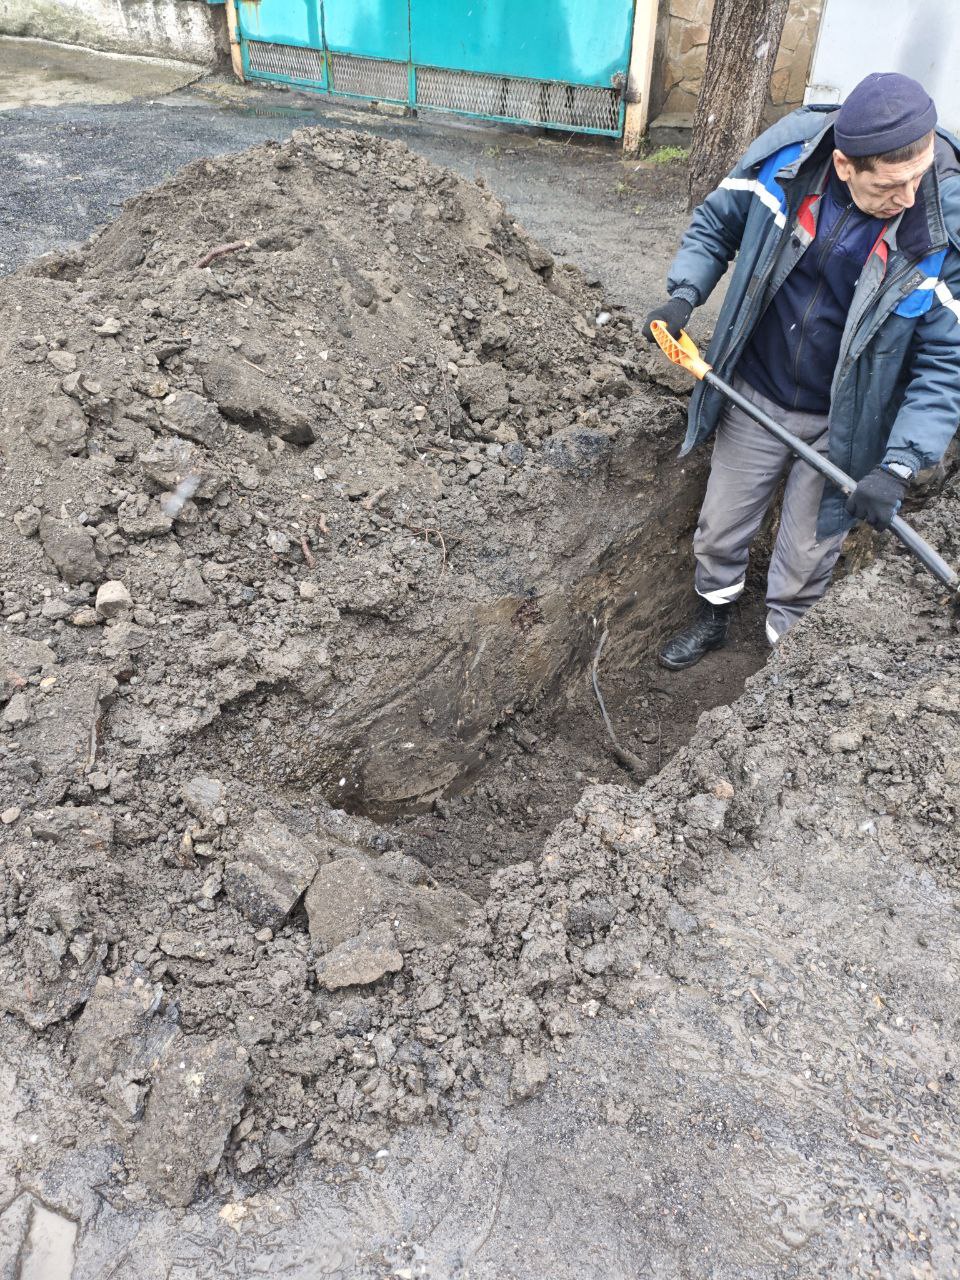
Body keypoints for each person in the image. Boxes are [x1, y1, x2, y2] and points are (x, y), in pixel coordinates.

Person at [643, 72, 960, 670]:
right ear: (844, 165)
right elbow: (717, 224)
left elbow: (946, 365)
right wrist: (684, 295)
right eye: (892, 185)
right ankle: (713, 615)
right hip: (758, 390)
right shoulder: (788, 162)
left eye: (919, 176)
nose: (910, 195)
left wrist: (897, 464)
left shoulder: (942, 228)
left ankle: (782, 666)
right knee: (720, 526)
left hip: (846, 421)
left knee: (807, 555)